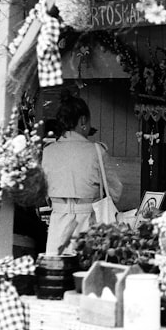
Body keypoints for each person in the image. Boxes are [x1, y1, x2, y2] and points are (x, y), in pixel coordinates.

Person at [41, 92, 122, 254]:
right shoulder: (97, 151)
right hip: (88, 225)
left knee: (58, 272)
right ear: (83, 120)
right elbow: (116, 192)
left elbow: (45, 193)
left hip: (57, 223)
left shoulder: (48, 152)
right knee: (84, 270)